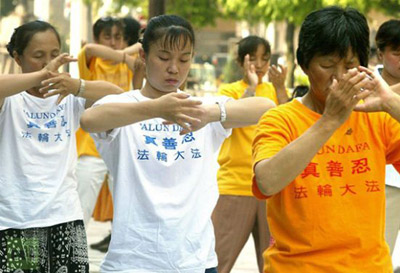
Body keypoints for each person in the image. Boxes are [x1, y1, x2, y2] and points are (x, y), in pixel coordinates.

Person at [80, 14, 275, 273]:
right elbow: (89, 119)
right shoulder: (126, 105)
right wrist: (156, 108)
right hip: (133, 262)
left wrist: (210, 114)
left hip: (195, 261)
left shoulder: (201, 108)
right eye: (163, 58)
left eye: (184, 59)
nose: (174, 68)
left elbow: (267, 108)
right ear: (143, 56)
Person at [253, 6, 400, 272]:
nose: (339, 76)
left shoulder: (375, 116)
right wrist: (330, 120)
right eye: (327, 65)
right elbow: (266, 182)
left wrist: (391, 103)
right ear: (304, 64)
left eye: (351, 65)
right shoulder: (280, 119)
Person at [0, 20, 122, 272]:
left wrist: (78, 86)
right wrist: (41, 75)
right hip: (15, 220)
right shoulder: (10, 99)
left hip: (66, 217)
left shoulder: (68, 97)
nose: (48, 63)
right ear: (17, 57)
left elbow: (118, 95)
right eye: (38, 56)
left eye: (55, 55)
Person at [212, 35, 288, 273]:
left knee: (273, 264)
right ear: (240, 61)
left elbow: (289, 121)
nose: (260, 64)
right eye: (252, 58)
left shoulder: (275, 90)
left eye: (265, 58)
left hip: (271, 188)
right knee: (216, 260)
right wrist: (252, 87)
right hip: (235, 185)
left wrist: (279, 87)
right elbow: (233, 118)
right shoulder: (228, 90)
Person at [75, 16, 142, 239]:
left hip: (123, 142)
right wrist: (126, 56)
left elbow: (139, 84)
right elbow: (91, 49)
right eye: (108, 37)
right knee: (80, 204)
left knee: (125, 205)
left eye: (119, 37)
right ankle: (69, 254)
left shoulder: (131, 63)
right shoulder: (91, 60)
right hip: (90, 145)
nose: (113, 43)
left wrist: (127, 57)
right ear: (97, 38)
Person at [375, 19, 400, 257]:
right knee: (380, 250)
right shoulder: (364, 85)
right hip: (385, 181)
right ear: (380, 51)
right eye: (397, 53)